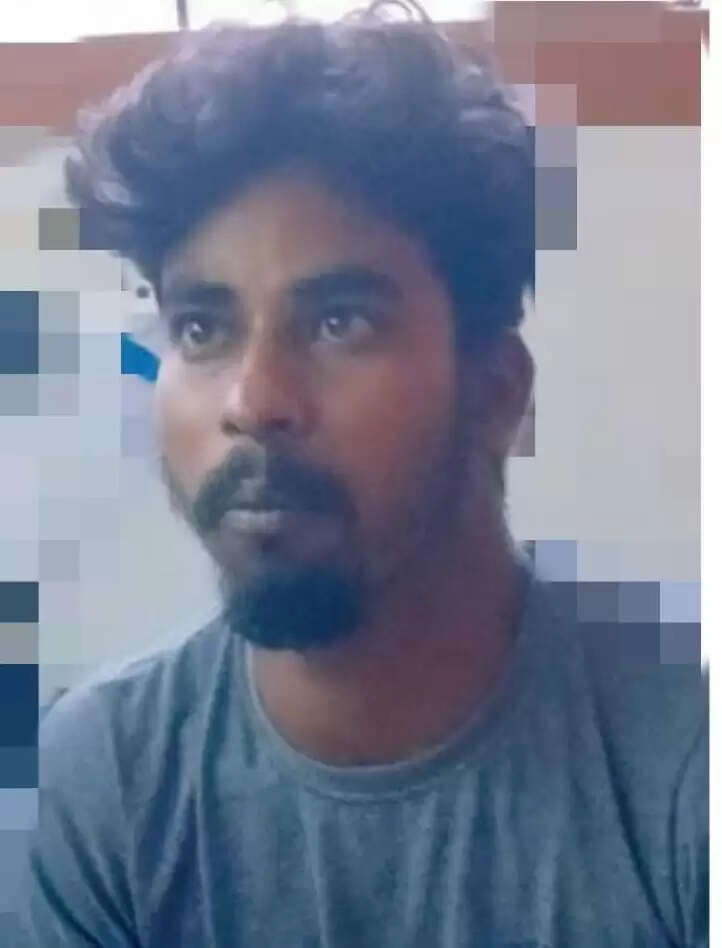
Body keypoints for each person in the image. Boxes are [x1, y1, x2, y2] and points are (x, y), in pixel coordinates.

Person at [19, 4, 707, 946]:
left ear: (496, 392)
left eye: (341, 321)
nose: (253, 401)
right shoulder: (109, 781)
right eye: (202, 328)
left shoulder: (682, 752)